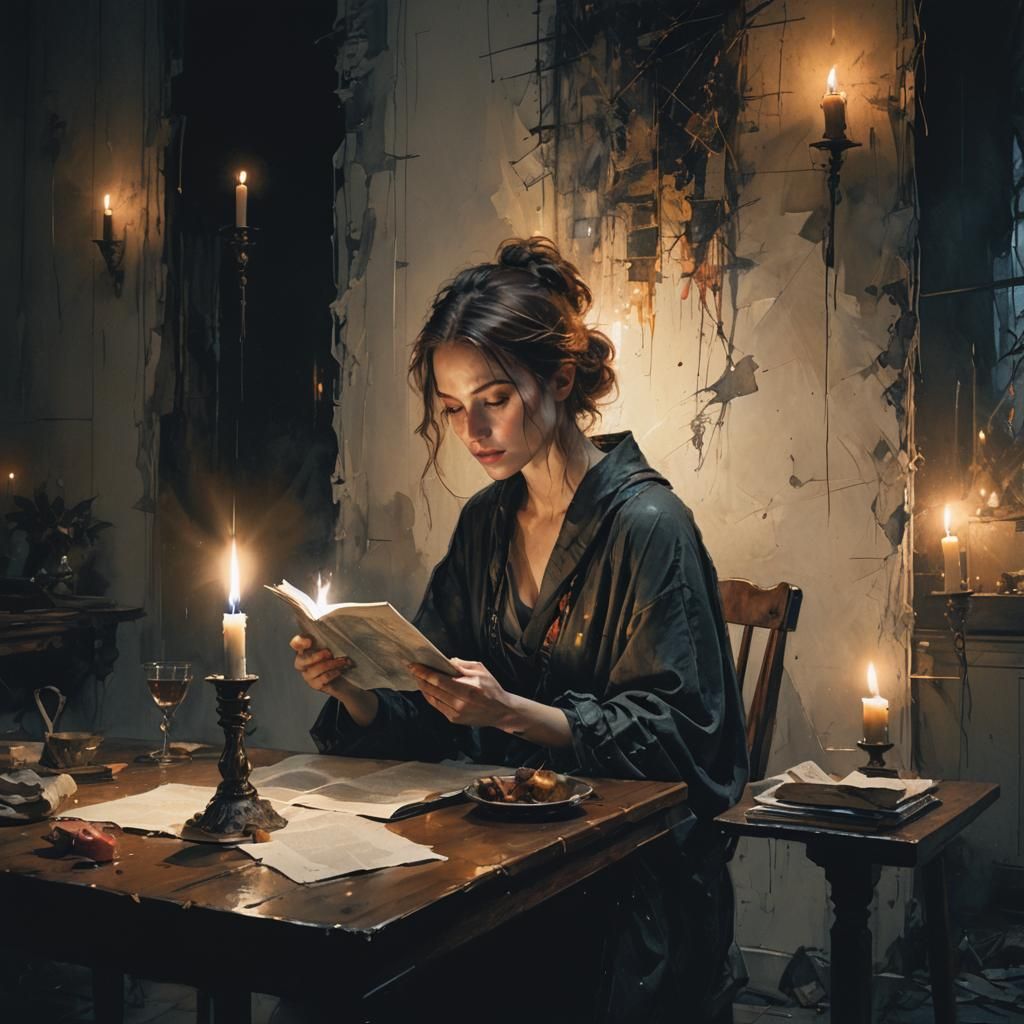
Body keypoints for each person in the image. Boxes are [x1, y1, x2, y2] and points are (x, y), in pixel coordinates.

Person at [291, 237, 748, 1023]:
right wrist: (357, 690)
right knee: (328, 981)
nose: (471, 428)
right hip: (492, 855)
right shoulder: (484, 523)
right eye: (450, 408)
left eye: (494, 398)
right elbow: (429, 698)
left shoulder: (650, 526)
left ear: (560, 379)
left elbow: (688, 742)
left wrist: (512, 713)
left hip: (624, 881)